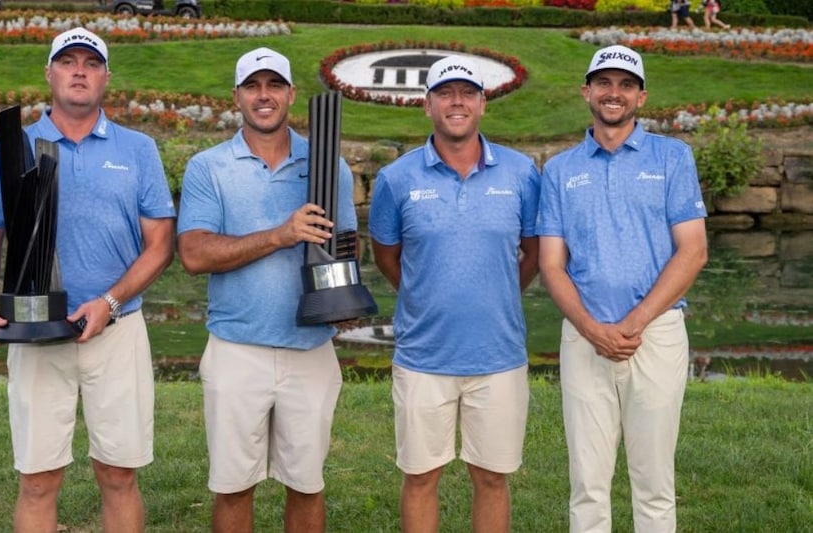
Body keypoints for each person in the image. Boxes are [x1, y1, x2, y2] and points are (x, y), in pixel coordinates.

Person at [0, 27, 176, 532]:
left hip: (117, 329)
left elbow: (161, 246)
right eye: (67, 61)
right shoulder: (13, 148)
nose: (79, 70)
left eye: (90, 62)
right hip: (36, 332)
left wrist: (109, 300)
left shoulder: (138, 148)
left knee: (119, 474)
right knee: (38, 479)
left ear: (106, 77)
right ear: (49, 73)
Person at [176, 47, 356, 532]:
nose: (263, 95)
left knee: (307, 484)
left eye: (274, 85)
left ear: (291, 94)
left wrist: (343, 300)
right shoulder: (208, 167)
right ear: (236, 96)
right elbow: (194, 254)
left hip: (310, 350)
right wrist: (280, 234)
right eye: (253, 86)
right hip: (237, 349)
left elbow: (344, 248)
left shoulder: (326, 165)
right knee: (234, 486)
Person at [536, 44, 708, 533]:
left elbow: (692, 251)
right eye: (605, 83)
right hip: (584, 336)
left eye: (626, 85)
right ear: (586, 92)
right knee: (587, 482)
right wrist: (593, 329)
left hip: (654, 335)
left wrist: (630, 325)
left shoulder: (673, 158)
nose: (615, 93)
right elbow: (551, 264)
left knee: (653, 480)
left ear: (641, 96)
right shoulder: (561, 170)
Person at [369, 55, 540, 533]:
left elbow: (532, 253)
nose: (457, 102)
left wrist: (497, 291)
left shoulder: (521, 173)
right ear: (428, 105)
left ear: (483, 103)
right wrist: (425, 294)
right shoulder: (396, 179)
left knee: (491, 477)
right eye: (445, 93)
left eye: (468, 93)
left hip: (499, 354)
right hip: (423, 355)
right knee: (421, 476)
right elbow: (386, 255)